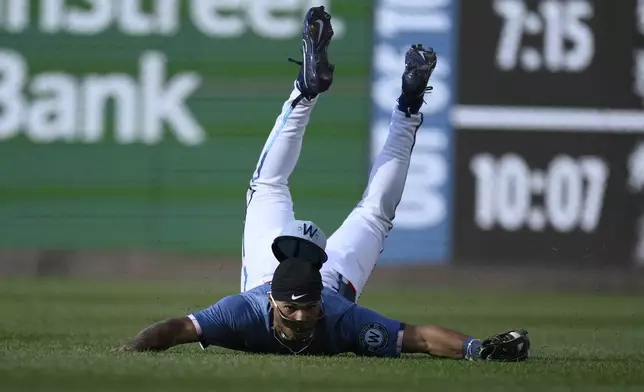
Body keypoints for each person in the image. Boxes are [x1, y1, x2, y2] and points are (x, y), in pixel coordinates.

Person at [113, 5, 530, 362]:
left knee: (268, 184)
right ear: (272, 302)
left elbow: (416, 337)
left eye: (307, 308)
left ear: (320, 306)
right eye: (291, 310)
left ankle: (308, 91)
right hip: (311, 272)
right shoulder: (244, 311)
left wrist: (477, 349)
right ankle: (406, 108)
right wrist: (133, 350)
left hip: (316, 273)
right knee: (373, 212)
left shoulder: (338, 317)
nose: (299, 318)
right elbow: (175, 329)